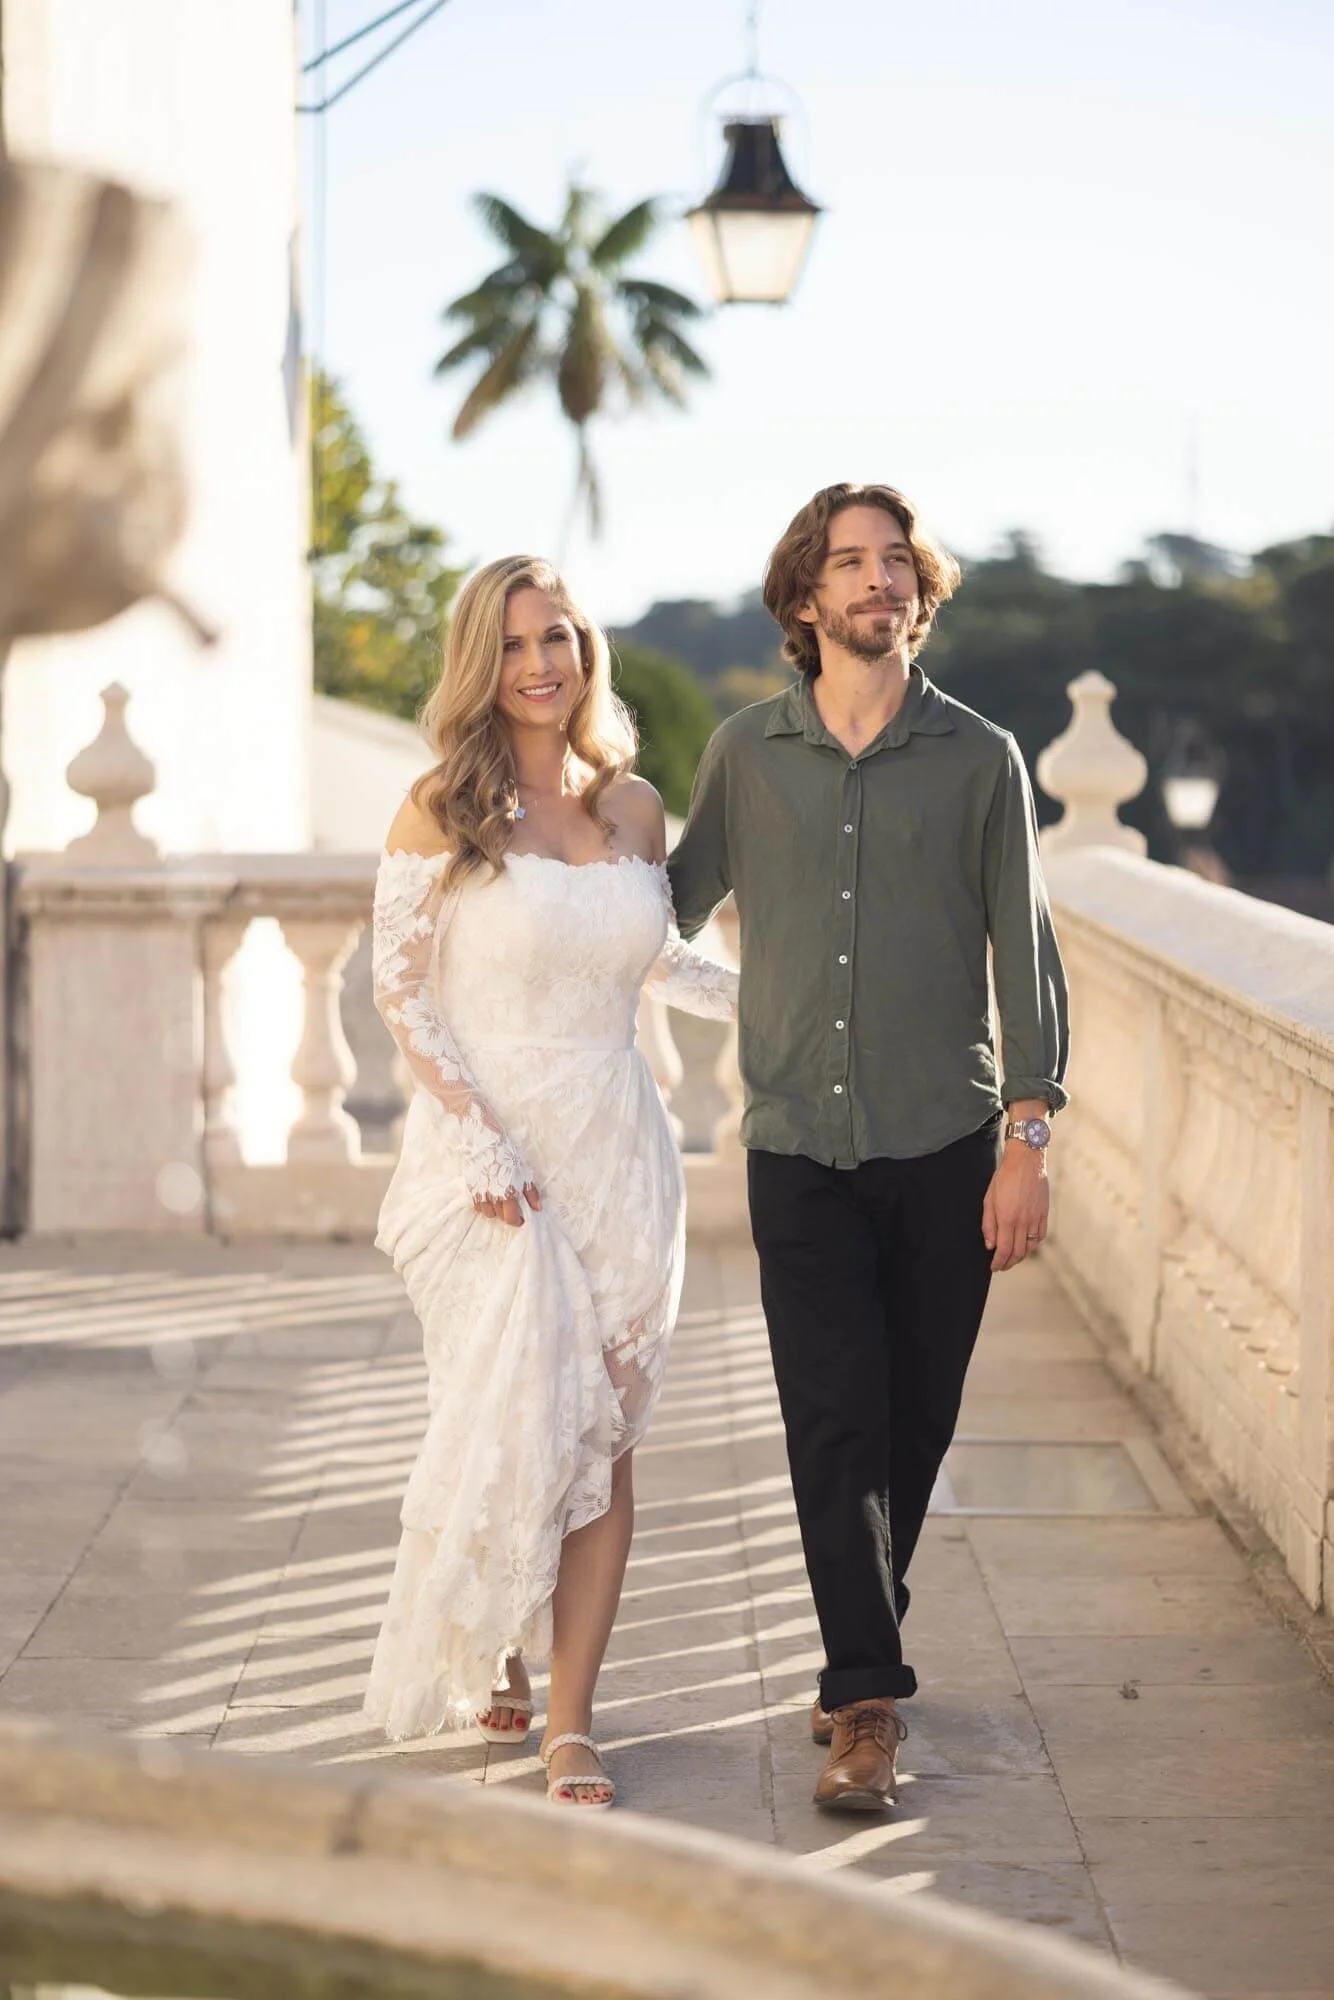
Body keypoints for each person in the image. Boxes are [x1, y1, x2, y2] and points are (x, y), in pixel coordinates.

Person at [668, 483, 1069, 1813]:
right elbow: (659, 909)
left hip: (943, 1140)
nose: (876, 580)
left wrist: (1027, 1136)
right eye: (848, 562)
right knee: (833, 1422)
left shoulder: (979, 757)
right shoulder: (745, 753)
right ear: (805, 596)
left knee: (911, 1426)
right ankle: (865, 1702)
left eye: (895, 561)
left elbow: (1024, 952)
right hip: (795, 1143)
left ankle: (856, 1643)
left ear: (918, 590)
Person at [365, 555, 737, 1807]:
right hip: (491, 1156)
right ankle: (502, 1643)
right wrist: (480, 1140)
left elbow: (652, 957)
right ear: (483, 662)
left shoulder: (631, 806)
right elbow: (400, 990)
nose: (540, 664)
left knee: (603, 1437)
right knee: (513, 1411)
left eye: (559, 638)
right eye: (516, 643)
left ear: (587, 651)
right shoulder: (441, 806)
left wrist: (776, 1001)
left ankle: (569, 1717)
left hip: (619, 1147)